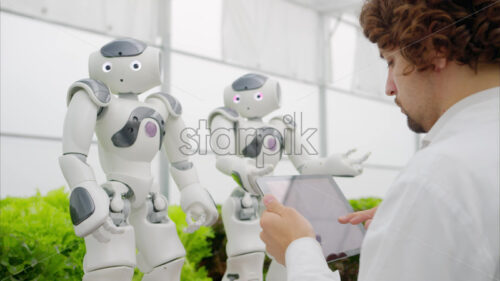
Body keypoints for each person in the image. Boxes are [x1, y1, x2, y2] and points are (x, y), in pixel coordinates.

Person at [259, 0, 500, 280]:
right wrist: (407, 221)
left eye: (391, 61)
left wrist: (299, 249)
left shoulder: (440, 176)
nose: (388, 87)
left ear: (436, 48)